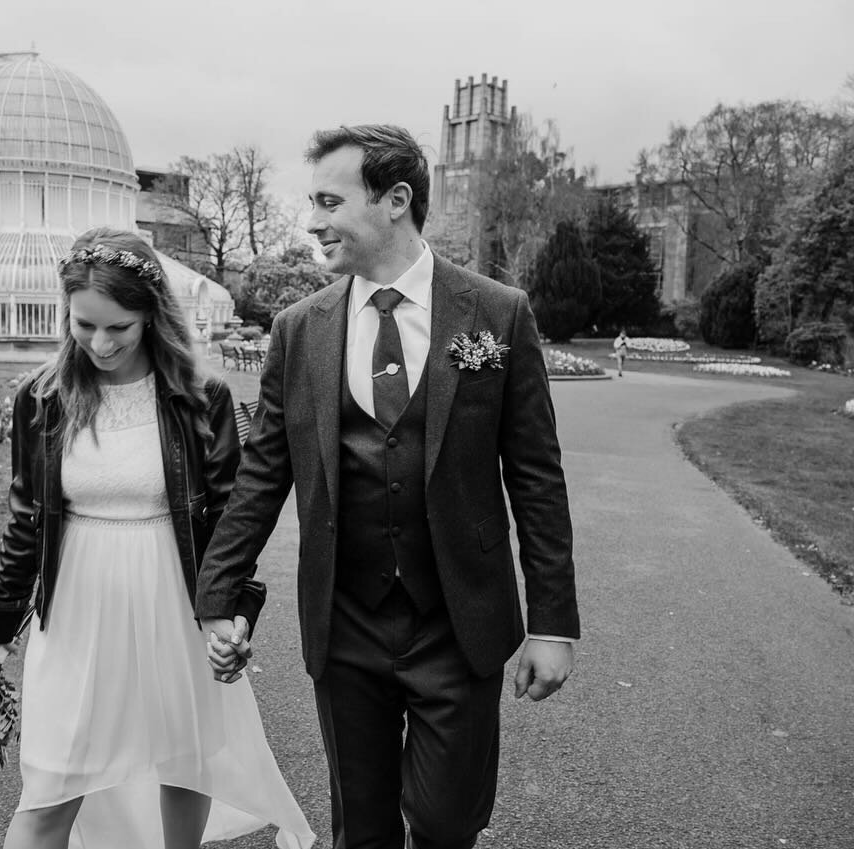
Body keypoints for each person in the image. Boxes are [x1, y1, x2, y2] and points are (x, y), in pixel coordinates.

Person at [196, 125, 580, 849]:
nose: (312, 220)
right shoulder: (297, 330)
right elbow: (262, 473)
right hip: (346, 622)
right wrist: (220, 595)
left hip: (457, 620)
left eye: (328, 201)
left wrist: (552, 621)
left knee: (443, 822)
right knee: (361, 830)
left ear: (396, 200)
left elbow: (537, 478)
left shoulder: (498, 314)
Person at [0, 228, 314, 849]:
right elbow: (26, 518)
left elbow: (225, 523)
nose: (99, 344)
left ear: (153, 318)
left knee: (183, 759)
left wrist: (234, 613)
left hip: (174, 601)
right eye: (84, 325)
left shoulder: (199, 397)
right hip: (78, 610)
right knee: (51, 783)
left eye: (119, 328)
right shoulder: (41, 397)